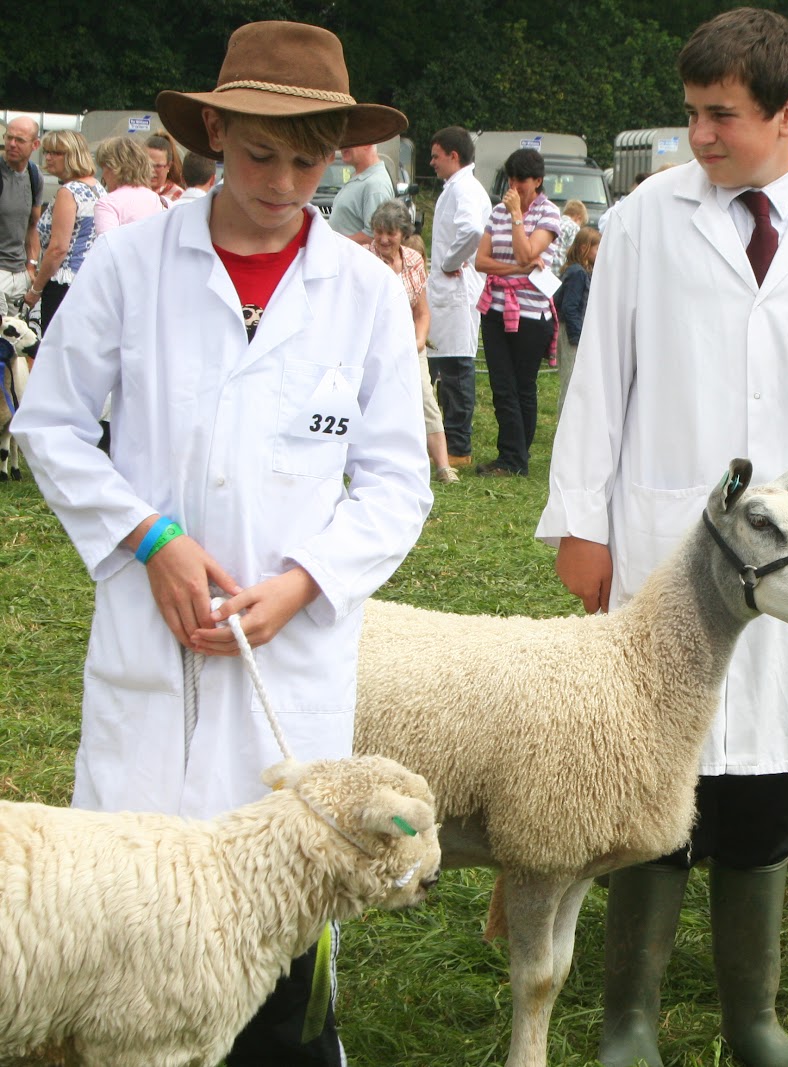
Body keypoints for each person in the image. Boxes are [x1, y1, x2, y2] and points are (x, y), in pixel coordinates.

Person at [11, 22, 432, 1066]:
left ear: (337, 153)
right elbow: (51, 421)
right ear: (212, 134)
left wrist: (304, 581)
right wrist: (148, 536)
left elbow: (394, 481)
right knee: (119, 941)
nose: (283, 180)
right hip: (155, 647)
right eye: (257, 153)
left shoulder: (366, 294)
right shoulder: (136, 263)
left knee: (281, 913)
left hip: (285, 658)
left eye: (308, 157)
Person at [536, 9, 788, 1065]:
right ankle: (630, 1020)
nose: (698, 137)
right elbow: (598, 382)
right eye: (691, 114)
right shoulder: (646, 219)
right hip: (666, 526)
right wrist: (581, 522)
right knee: (654, 764)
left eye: (721, 117)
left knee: (766, 773)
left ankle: (752, 1020)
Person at [473, 147, 560, 477]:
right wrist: (516, 269)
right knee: (501, 385)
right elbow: (481, 261)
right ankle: (510, 455)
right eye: (510, 178)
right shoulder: (496, 212)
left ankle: (515, 457)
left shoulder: (548, 214)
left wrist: (516, 217)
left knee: (522, 386)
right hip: (495, 308)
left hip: (531, 314)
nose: (514, 185)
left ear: (537, 181)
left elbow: (527, 250)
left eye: (521, 179)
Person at [369, 197, 455, 484]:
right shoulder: (363, 259)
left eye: (390, 233)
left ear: (403, 234)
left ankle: (443, 467)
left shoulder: (415, 260)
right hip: (372, 343)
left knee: (425, 397)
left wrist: (417, 343)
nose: (383, 239)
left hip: (408, 343)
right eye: (379, 231)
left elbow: (422, 311)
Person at [424, 125, 492, 469]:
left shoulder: (464, 188)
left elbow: (471, 230)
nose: (431, 162)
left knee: (456, 369)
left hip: (457, 288)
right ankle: (446, 441)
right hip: (446, 290)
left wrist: (451, 261)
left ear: (454, 156)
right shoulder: (456, 187)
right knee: (444, 368)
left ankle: (459, 447)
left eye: (436, 156)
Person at [24, 130, 101, 335]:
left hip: (63, 284)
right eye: (47, 151)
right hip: (89, 282)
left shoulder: (69, 192)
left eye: (56, 152)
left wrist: (36, 289)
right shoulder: (96, 187)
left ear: (73, 155)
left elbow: (58, 248)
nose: (48, 157)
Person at [2, 117, 44, 317]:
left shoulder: (34, 175)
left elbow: (33, 224)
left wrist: (31, 266)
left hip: (20, 274)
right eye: (9, 138)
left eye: (19, 140)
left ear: (35, 144)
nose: (11, 144)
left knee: (17, 344)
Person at [554, 223, 598, 409]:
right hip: (571, 334)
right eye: (597, 248)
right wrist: (577, 338)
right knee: (571, 383)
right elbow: (569, 307)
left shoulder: (582, 272)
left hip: (575, 331)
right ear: (584, 248)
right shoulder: (577, 273)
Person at [92, 136, 166, 235]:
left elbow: (107, 246)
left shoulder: (107, 204)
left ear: (112, 167)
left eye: (103, 168)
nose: (103, 175)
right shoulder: (158, 200)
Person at [328, 141, 393, 246]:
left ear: (367, 143)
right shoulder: (361, 177)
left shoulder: (376, 185)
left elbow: (374, 236)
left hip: (352, 260)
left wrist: (332, 243)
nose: (341, 146)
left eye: (350, 140)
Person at [550, 197, 588, 274]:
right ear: (579, 218)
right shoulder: (574, 227)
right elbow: (571, 251)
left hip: (548, 266)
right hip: (559, 267)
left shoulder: (555, 222)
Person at [145, 131, 186, 203]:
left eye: (157, 166)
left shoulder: (178, 197)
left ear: (169, 166)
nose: (151, 170)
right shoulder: (131, 192)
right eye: (147, 164)